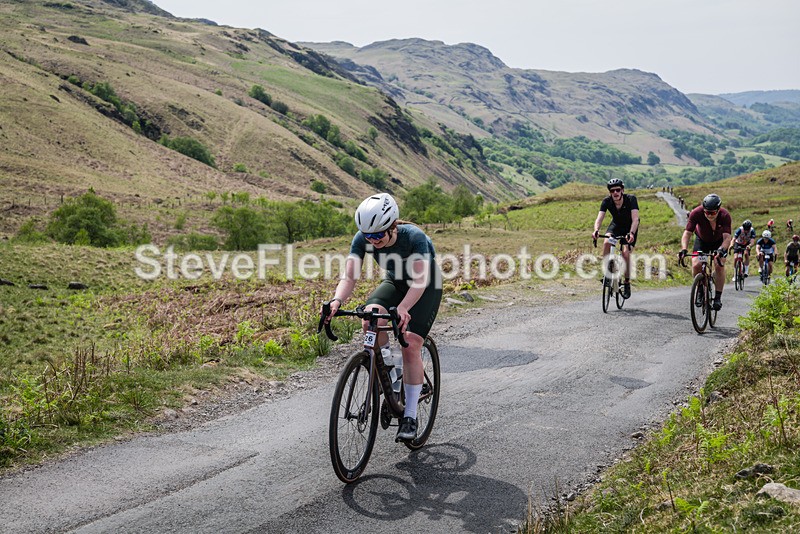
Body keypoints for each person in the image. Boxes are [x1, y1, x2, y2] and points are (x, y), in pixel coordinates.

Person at [323, 192, 443, 442]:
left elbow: (420, 282)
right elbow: (350, 277)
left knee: (409, 342)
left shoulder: (414, 237)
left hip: (425, 285)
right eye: (369, 236)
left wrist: (403, 308)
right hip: (395, 281)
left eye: (378, 235)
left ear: (392, 226)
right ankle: (391, 372)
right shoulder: (363, 238)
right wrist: (337, 301)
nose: (373, 241)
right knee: (370, 319)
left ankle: (409, 416)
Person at [678, 193, 732, 311]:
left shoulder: (725, 215)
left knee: (719, 265)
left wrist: (722, 250)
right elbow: (687, 233)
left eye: (712, 213)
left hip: (719, 243)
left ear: (718, 210)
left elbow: (727, 237)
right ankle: (700, 289)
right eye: (707, 212)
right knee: (696, 264)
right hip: (702, 241)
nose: (709, 215)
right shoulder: (696, 213)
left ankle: (717, 297)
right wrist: (683, 249)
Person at [592, 178, 640, 299]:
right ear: (610, 192)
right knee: (607, 242)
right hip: (616, 226)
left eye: (618, 190)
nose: (615, 193)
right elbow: (599, 218)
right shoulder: (606, 201)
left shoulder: (631, 199)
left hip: (630, 228)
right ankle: (607, 273)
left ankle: (627, 283)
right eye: (612, 191)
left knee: (625, 254)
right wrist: (596, 230)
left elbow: (635, 219)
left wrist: (632, 233)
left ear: (622, 190)